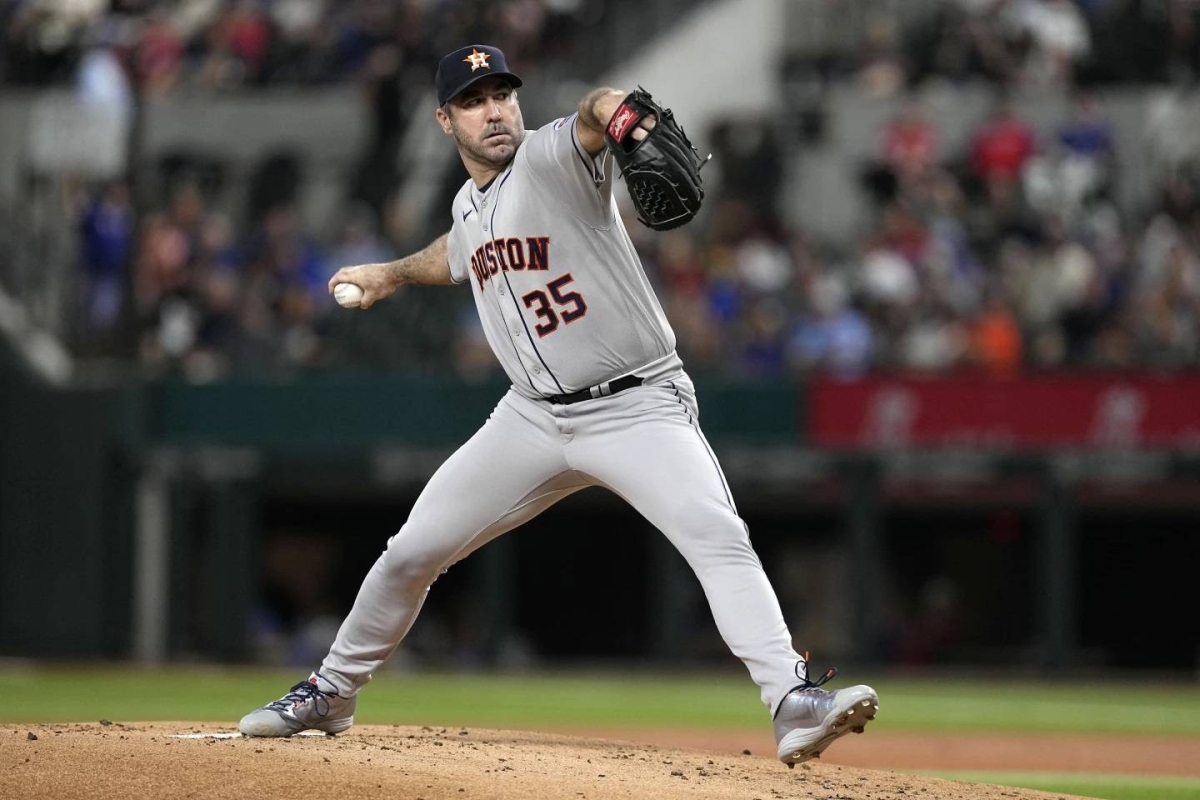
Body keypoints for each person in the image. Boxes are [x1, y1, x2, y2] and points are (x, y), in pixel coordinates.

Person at [238, 44, 879, 767]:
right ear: (445, 121)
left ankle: (791, 699)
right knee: (410, 552)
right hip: (532, 418)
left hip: (636, 405)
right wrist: (391, 273)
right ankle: (332, 692)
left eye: (504, 94)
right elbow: (455, 250)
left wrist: (626, 117)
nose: (496, 111)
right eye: (476, 101)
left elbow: (593, 110)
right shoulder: (468, 205)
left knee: (714, 533)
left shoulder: (549, 157)